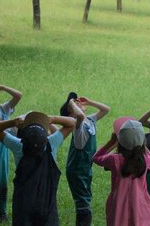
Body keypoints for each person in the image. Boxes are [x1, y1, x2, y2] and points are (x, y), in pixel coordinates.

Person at [0, 111, 75, 226]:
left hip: (23, 204)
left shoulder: (19, 146)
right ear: (45, 137)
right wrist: (51, 118)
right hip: (47, 203)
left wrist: (13, 122)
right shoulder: (51, 144)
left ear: (24, 137)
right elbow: (72, 123)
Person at [60, 92, 110, 226]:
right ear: (71, 115)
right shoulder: (78, 125)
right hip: (77, 170)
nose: (78, 104)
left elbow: (106, 109)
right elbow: (80, 116)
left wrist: (90, 102)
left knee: (85, 199)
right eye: (75, 105)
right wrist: (70, 102)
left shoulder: (90, 120)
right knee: (83, 204)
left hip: (85, 167)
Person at [93, 118, 150, 226]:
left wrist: (111, 142)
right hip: (141, 207)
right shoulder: (146, 160)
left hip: (118, 207)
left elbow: (96, 158)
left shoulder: (115, 160)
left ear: (119, 141)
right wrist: (143, 145)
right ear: (142, 143)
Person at [0, 83, 22, 222]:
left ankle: (1, 212)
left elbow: (18, 95)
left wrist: (3, 87)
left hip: (2, 150)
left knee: (2, 181)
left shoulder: (4, 109)